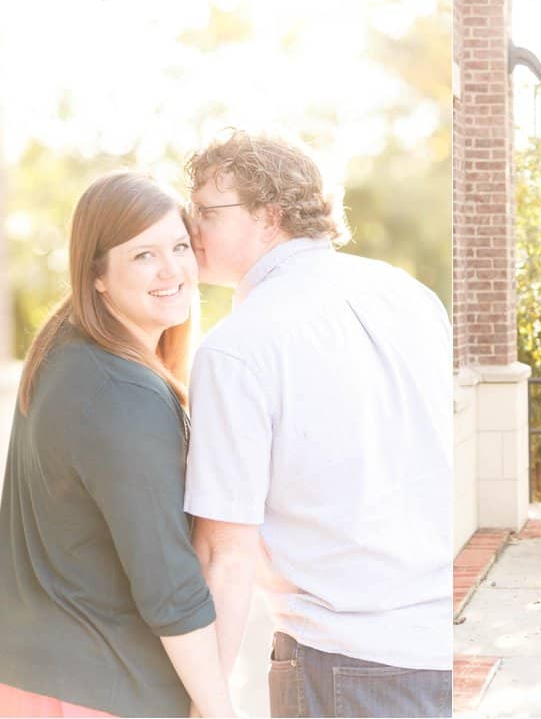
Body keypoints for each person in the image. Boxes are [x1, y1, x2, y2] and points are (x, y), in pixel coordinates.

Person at [182, 129, 452, 718]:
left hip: (338, 662)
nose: (188, 227)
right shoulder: (410, 295)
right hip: (441, 645)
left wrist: (207, 703)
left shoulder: (236, 348)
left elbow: (224, 552)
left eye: (205, 210)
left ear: (269, 216)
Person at [0, 172, 234, 717]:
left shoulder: (65, 351)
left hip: (29, 684)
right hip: (102, 694)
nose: (172, 269)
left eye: (179, 246)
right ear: (96, 274)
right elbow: (168, 583)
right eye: (143, 255)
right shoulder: (124, 392)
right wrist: (218, 708)